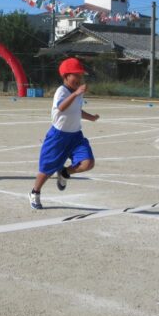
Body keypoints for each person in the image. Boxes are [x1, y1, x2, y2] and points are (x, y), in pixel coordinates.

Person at [29, 57, 99, 210]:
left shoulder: (78, 93)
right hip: (58, 136)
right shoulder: (62, 91)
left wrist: (91, 117)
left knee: (88, 163)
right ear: (66, 76)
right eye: (76, 75)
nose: (79, 79)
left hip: (75, 136)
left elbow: (76, 110)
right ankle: (35, 192)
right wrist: (75, 94)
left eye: (80, 76)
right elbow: (61, 107)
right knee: (46, 169)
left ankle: (65, 172)